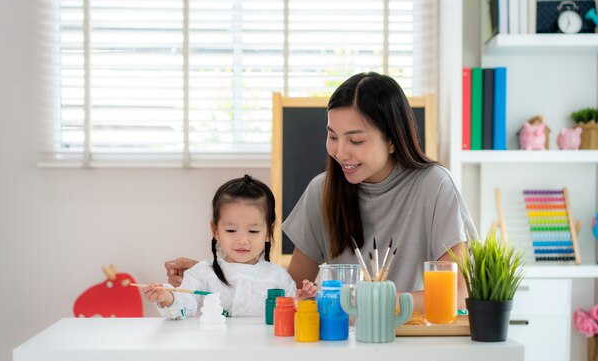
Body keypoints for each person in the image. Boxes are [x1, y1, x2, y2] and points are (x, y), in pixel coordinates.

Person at [166, 72, 476, 313]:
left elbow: (456, 294)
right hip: (338, 342)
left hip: (410, 341)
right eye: (332, 136)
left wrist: (360, 302)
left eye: (355, 141)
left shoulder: (434, 185)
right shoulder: (322, 190)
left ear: (392, 140)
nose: (341, 152)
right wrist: (216, 273)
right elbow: (288, 288)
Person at [144, 175, 316, 319]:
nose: (242, 240)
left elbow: (291, 318)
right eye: (231, 230)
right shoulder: (202, 274)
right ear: (215, 230)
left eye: (253, 231)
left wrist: (301, 302)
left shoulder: (278, 278)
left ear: (268, 233)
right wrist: (167, 297)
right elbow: (183, 307)